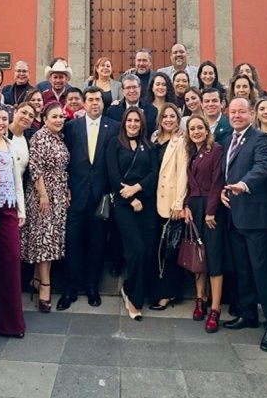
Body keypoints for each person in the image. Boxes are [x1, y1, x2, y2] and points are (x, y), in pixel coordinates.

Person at [220, 97, 267, 352]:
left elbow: (262, 168)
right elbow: (225, 172)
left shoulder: (260, 140)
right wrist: (223, 192)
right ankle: (248, 314)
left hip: (255, 218)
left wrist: (243, 185)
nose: (236, 115)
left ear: (251, 113)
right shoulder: (226, 140)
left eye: (241, 111)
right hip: (234, 216)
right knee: (243, 269)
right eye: (232, 112)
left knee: (261, 271)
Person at [59, 88, 116, 310]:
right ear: (83, 103)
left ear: (103, 103)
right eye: (90, 99)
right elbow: (64, 159)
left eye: (98, 100)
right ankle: (71, 287)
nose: (94, 103)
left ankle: (92, 286)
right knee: (72, 242)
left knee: (97, 242)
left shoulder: (112, 127)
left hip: (100, 197)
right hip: (75, 195)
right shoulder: (71, 127)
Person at [106, 107, 158, 321]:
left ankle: (130, 288)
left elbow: (154, 173)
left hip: (145, 204)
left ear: (142, 123)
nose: (133, 124)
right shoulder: (115, 144)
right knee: (135, 250)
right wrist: (130, 197)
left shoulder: (149, 146)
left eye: (137, 121)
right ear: (124, 123)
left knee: (146, 251)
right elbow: (113, 174)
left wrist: (137, 189)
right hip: (123, 204)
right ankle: (134, 301)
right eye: (130, 121)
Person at [0, 108, 27, 338]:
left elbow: (16, 178)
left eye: (3, 119)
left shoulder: (12, 146)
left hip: (7, 208)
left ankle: (10, 322)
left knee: (9, 260)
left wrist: (21, 209)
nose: (0, 123)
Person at [22, 103, 70, 312]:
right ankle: (45, 288)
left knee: (51, 241)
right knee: (44, 242)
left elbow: (61, 168)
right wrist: (43, 194)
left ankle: (36, 279)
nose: (59, 120)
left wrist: (65, 189)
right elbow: (35, 167)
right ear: (44, 118)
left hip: (58, 196)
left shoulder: (59, 138)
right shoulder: (40, 137)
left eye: (61, 116)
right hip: (43, 197)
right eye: (54, 116)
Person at [182, 115, 225, 331]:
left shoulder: (215, 150)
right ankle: (200, 298)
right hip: (194, 207)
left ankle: (215, 309)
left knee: (214, 257)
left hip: (211, 208)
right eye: (192, 129)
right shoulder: (191, 152)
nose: (196, 131)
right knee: (197, 255)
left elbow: (218, 181)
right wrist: (186, 205)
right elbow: (187, 184)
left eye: (200, 128)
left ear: (207, 130)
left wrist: (210, 211)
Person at [152, 103, 188, 310]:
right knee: (158, 248)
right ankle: (159, 289)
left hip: (170, 202)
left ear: (178, 118)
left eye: (172, 116)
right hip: (153, 200)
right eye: (164, 116)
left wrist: (178, 203)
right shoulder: (154, 138)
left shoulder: (181, 140)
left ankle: (169, 294)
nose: (168, 119)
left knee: (169, 250)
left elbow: (183, 172)